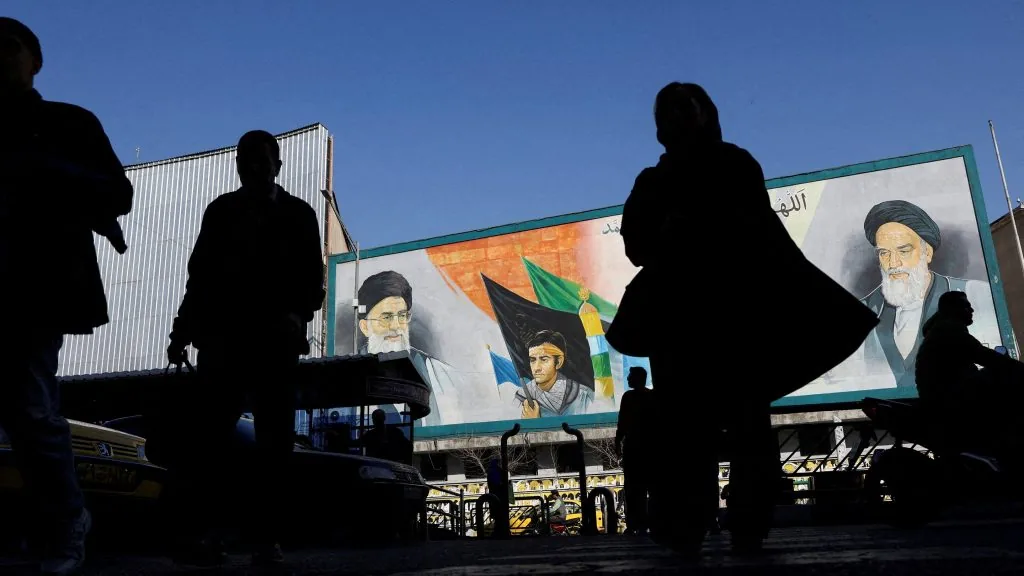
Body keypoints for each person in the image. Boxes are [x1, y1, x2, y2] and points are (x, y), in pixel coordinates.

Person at [612, 82, 877, 557]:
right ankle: (689, 525)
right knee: (687, 427)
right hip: (680, 321)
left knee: (743, 421)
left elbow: (762, 236)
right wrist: (667, 232)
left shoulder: (734, 165)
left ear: (706, 114)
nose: (679, 117)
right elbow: (636, 245)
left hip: (736, 317)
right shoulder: (653, 182)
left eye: (687, 107)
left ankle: (747, 522)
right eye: (669, 110)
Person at [0, 17, 134, 575]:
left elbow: (117, 192)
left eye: (9, 47)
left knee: (31, 409)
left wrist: (42, 170)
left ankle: (63, 524)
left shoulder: (68, 123)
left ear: (36, 61)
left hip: (35, 285)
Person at [165, 129, 325, 567]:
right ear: (238, 167)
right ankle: (209, 535)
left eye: (261, 160)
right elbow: (199, 279)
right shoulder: (221, 212)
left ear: (277, 165)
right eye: (246, 161)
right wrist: (181, 333)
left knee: (272, 443)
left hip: (272, 345)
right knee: (212, 442)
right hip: (224, 342)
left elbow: (314, 282)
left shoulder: (299, 215)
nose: (253, 168)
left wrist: (295, 314)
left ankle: (264, 539)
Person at [820, 200, 1001, 390]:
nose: (893, 263)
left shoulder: (978, 294)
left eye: (904, 251)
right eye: (884, 253)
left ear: (927, 252)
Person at [915, 291, 1022, 455]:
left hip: (944, 400)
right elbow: (986, 356)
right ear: (952, 309)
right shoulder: (949, 331)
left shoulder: (940, 330)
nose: (971, 310)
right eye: (966, 306)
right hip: (951, 402)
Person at [513, 330, 594, 418]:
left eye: (544, 360)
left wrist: (535, 423)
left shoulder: (583, 396)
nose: (536, 368)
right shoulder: (521, 398)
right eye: (532, 360)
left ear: (559, 362)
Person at [615, 366, 655, 535]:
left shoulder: (629, 397)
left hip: (634, 449)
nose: (628, 379)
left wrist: (618, 442)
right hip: (650, 449)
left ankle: (635, 524)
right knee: (650, 487)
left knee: (633, 489)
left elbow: (622, 423)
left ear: (638, 378)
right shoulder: (652, 396)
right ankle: (651, 523)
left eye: (630, 376)